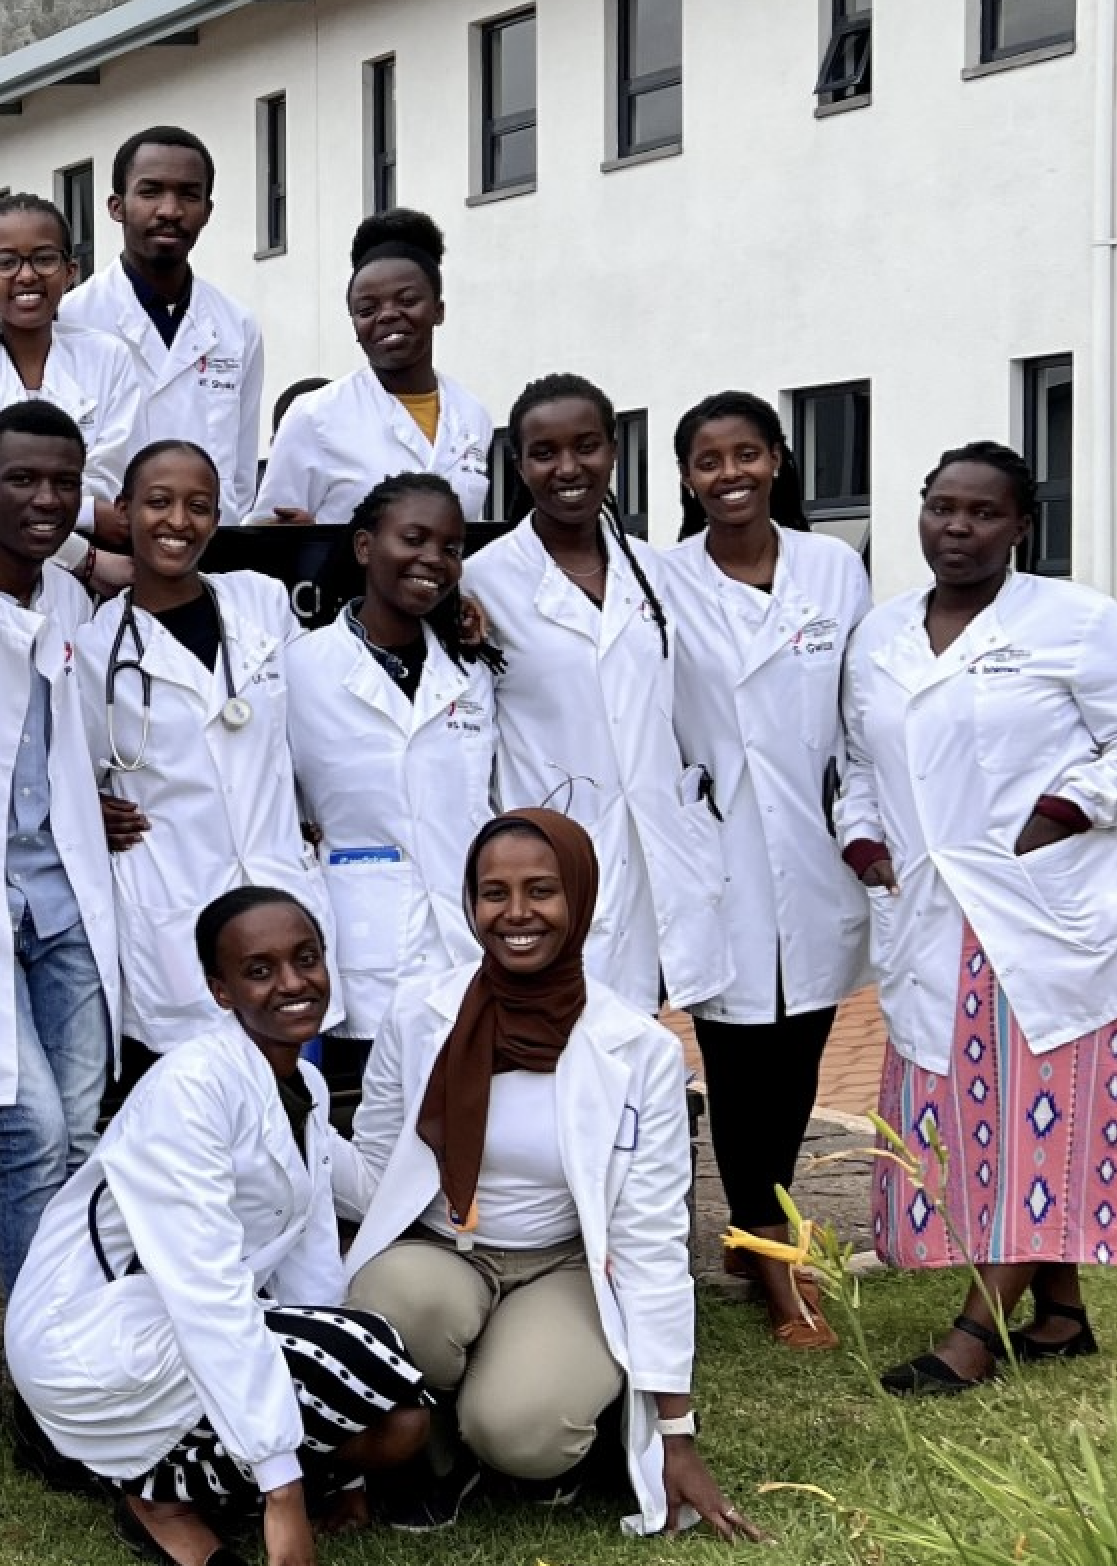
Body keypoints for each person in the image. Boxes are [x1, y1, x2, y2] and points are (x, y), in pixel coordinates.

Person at [342, 811, 762, 1542]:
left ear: (581, 898)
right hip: (443, 1252)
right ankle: (435, 1453)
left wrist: (676, 1432)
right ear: (470, 903)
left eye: (541, 890)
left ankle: (539, 1426)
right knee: (395, 1301)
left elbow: (652, 1239)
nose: (516, 914)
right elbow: (376, 1165)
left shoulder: (637, 1049)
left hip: (564, 1265)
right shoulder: (420, 1013)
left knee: (524, 1434)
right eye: (493, 892)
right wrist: (287, 1124)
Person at [6, 887, 430, 1566]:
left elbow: (315, 1263)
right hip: (95, 1338)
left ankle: (167, 1487)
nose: (293, 984)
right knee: (363, 1349)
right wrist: (286, 1493)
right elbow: (203, 1289)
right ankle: (161, 1501)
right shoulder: (190, 1090)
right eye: (259, 971)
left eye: (307, 958)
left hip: (184, 1333)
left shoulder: (307, 1091)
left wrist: (344, 1477)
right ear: (220, 990)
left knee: (401, 1417)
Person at [839, 442, 1117, 1394]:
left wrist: (1065, 813)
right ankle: (1059, 1316)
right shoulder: (880, 633)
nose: (957, 529)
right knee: (977, 1118)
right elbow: (858, 763)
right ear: (918, 512)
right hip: (930, 917)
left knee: (1033, 1123)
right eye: (941, 509)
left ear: (1021, 527)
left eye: (982, 513)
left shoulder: (1078, 622)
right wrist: (862, 843)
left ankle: (973, 1334)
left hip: (1042, 918)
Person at [658, 391, 870, 1351]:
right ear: (688, 478)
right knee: (737, 1055)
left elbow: (858, 705)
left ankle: (751, 1239)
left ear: (779, 460)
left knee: (799, 1053)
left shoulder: (834, 567)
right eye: (709, 461)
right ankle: (773, 1255)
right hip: (719, 848)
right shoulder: (662, 579)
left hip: (815, 846)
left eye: (747, 455)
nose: (729, 475)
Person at [462, 374, 728, 1014]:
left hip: (653, 845)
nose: (567, 467)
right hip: (546, 847)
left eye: (586, 446)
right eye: (544, 452)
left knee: (632, 1037)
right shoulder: (482, 582)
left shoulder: (654, 571)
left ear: (614, 449)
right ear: (518, 463)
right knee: (557, 1039)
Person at [0, 401, 123, 1289]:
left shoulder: (71, 596)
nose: (45, 499)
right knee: (36, 1130)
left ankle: (83, 1348)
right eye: (21, 479)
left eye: (64, 482)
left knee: (88, 1130)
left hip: (60, 893)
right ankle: (37, 1369)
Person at [80, 441, 336, 1054]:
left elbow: (321, 712)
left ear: (217, 518)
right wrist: (91, 810)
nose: (178, 522)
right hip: (176, 906)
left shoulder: (262, 602)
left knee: (299, 1097)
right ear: (125, 510)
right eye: (159, 503)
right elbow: (75, 775)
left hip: (281, 896)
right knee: (199, 1115)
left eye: (199, 506)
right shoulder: (95, 649)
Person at [284, 473, 501, 1112]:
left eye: (451, 547)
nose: (433, 560)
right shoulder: (302, 666)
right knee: (369, 1132)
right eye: (414, 539)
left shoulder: (469, 671)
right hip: (361, 943)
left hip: (464, 943)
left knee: (465, 1124)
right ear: (363, 548)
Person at [63, 126, 266, 524]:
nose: (170, 210)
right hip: (103, 556)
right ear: (116, 206)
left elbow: (240, 479)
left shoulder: (237, 327)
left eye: (189, 194)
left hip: (208, 553)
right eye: (151, 191)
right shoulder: (70, 321)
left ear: (207, 210)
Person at [0, 193, 146, 539]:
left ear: (70, 272)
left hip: (97, 571)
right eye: (6, 262)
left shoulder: (108, 358)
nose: (26, 276)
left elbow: (114, 483)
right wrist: (85, 513)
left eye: (44, 259)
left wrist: (10, 495)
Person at [252, 211, 491, 528]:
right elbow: (266, 534)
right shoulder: (314, 415)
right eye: (367, 309)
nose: (388, 315)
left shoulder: (472, 415)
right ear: (355, 324)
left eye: (407, 300)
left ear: (439, 311)